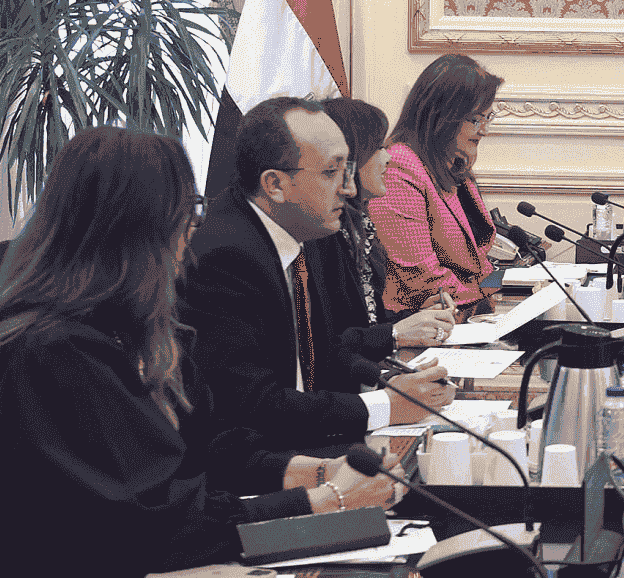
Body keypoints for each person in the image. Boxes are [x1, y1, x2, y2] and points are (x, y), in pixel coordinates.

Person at [0, 127, 403, 577]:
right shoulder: (52, 353)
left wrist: (318, 472)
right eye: (187, 214)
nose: (191, 237)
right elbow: (156, 527)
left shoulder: (138, 326)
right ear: (135, 229)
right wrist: (325, 502)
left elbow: (212, 448)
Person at [184, 97, 454, 450]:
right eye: (331, 172)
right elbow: (253, 404)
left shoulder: (301, 228)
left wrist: (390, 381)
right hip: (267, 462)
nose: (349, 188)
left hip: (309, 441)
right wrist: (385, 405)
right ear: (275, 184)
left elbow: (325, 352)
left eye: (347, 168)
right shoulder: (226, 257)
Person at [369, 53, 502, 317]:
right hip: (420, 320)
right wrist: (486, 293)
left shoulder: (452, 163)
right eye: (476, 119)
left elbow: (477, 262)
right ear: (442, 116)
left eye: (488, 117)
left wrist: (502, 285)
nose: (484, 130)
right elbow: (421, 276)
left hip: (461, 313)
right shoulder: (400, 167)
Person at [322, 97, 456, 353]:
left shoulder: (360, 226)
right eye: (378, 148)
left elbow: (371, 321)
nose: (388, 158)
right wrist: (396, 333)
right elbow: (330, 343)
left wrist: (417, 315)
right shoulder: (324, 234)